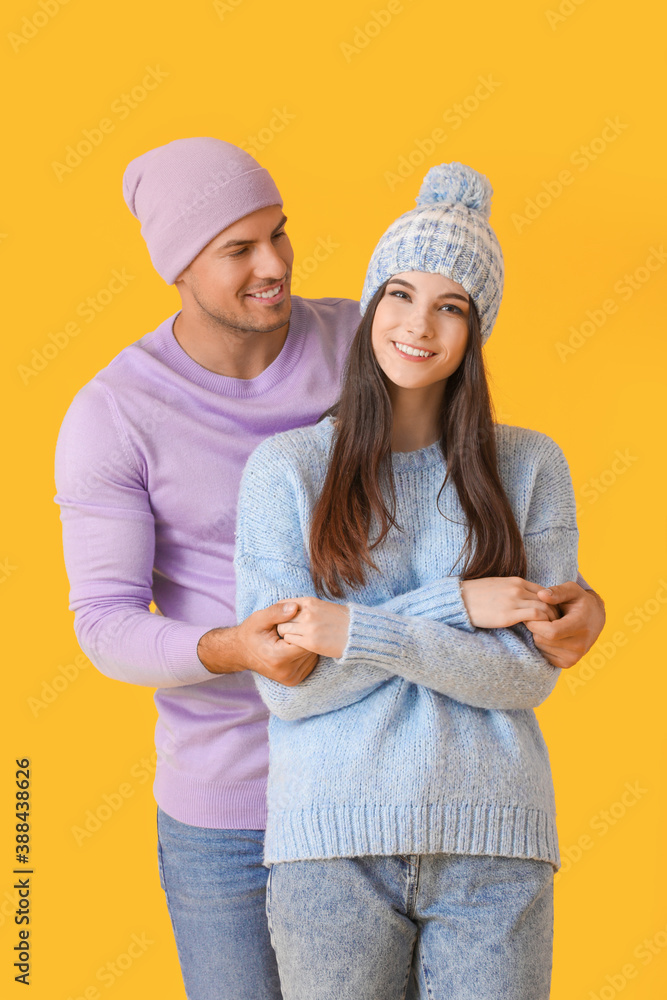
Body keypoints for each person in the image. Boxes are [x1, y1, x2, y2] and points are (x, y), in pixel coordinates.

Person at [54, 140, 604, 1000]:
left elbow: (480, 492)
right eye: (238, 249)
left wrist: (574, 603)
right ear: (178, 266)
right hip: (232, 791)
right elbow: (104, 622)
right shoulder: (114, 415)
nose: (274, 265)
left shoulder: (370, 331)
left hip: (420, 777)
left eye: (279, 233)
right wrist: (240, 648)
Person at [234, 162, 581, 1000]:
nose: (417, 324)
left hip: (494, 842)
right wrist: (456, 604)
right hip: (329, 849)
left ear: (474, 328)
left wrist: (351, 631)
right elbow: (290, 688)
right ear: (369, 305)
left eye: (449, 305)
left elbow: (522, 675)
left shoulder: (529, 466)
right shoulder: (286, 471)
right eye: (398, 293)